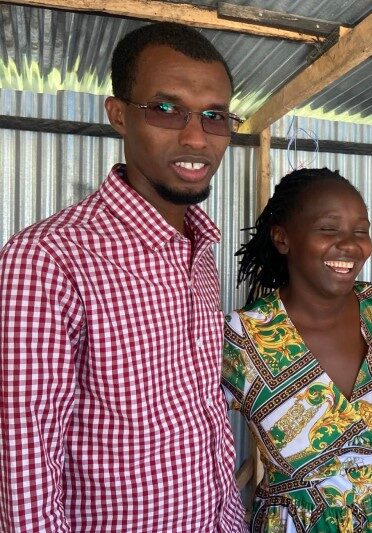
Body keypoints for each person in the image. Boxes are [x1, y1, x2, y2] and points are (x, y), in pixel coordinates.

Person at [0, 23, 245, 531]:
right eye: (165, 108)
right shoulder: (48, 260)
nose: (196, 137)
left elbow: (203, 416)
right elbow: (25, 476)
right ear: (118, 115)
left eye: (214, 116)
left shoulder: (200, 249)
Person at [222, 167, 372, 532]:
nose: (350, 244)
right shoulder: (242, 337)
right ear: (283, 238)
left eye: (360, 231)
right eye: (329, 229)